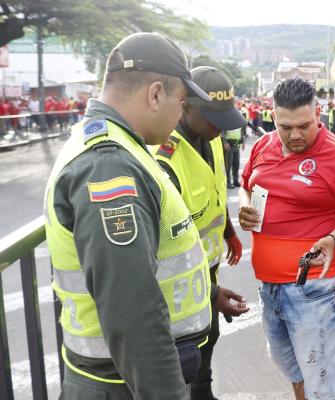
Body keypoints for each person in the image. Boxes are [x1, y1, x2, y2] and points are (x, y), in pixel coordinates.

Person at [44, 32, 216, 399]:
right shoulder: (109, 166)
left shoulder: (119, 147)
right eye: (182, 103)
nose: (180, 115)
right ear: (155, 94)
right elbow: (132, 311)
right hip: (121, 386)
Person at [238, 77, 335, 400]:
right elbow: (247, 185)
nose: (295, 135)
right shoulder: (263, 145)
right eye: (286, 127)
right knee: (295, 369)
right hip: (270, 286)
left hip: (319, 288)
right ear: (273, 117)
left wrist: (332, 238)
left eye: (304, 125)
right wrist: (245, 207)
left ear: (318, 115)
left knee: (327, 384)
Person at [153, 66, 250, 400]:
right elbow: (165, 253)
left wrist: (228, 231)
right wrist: (212, 293)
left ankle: (204, 391)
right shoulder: (165, 159)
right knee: (187, 358)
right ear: (184, 106)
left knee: (208, 341)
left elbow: (214, 193)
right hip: (180, 286)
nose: (220, 127)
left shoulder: (213, 140)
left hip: (206, 270)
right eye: (213, 118)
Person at [222, 109, 247, 188]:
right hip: (229, 146)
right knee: (228, 166)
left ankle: (235, 181)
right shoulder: (226, 123)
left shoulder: (238, 124)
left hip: (237, 146)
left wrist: (243, 142)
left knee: (236, 164)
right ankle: (228, 182)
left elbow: (241, 133)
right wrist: (225, 142)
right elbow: (222, 133)